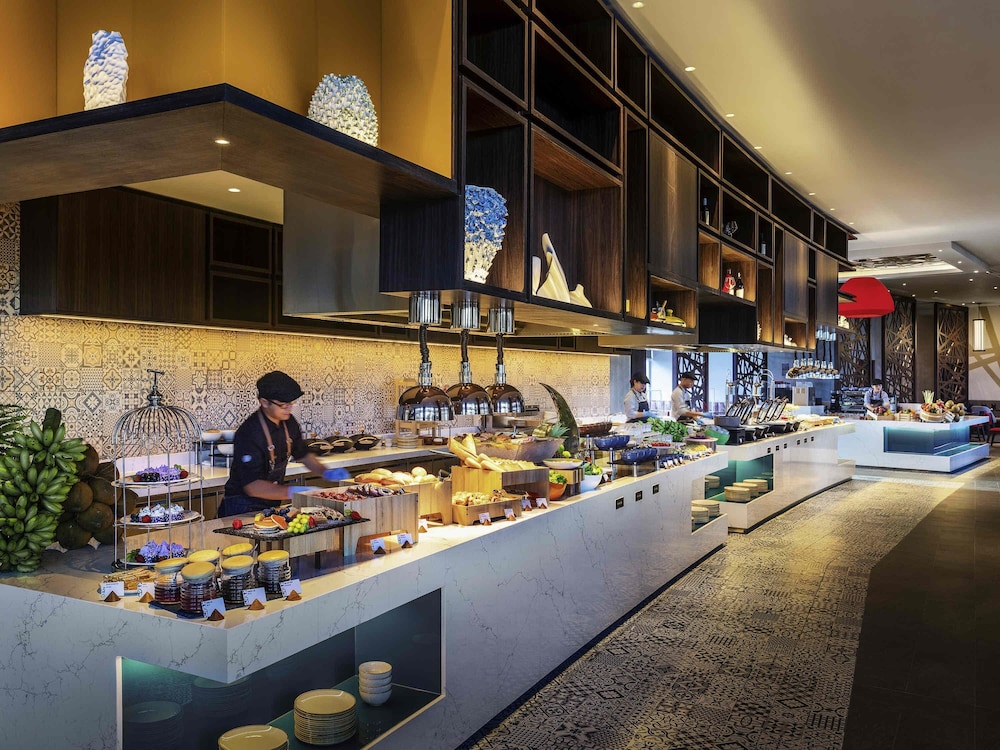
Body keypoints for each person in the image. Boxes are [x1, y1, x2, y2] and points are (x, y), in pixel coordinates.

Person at [218, 371, 348, 517]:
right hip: (241, 506)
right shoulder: (249, 432)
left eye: (291, 403)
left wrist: (325, 471)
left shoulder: (288, 422)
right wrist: (292, 491)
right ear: (264, 402)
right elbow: (253, 486)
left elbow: (303, 454)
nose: (289, 408)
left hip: (271, 502)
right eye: (282, 405)